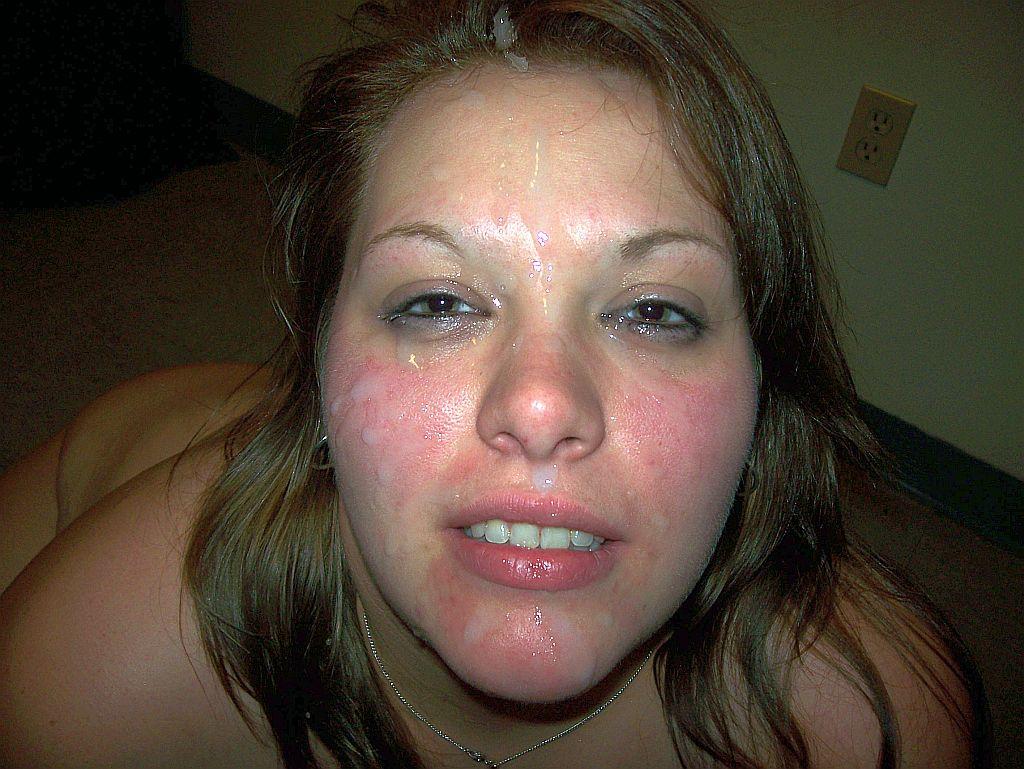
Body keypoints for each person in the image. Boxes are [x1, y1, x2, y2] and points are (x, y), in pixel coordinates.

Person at [0, 2, 988, 768]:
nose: (542, 405)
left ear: (764, 393)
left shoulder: (873, 725)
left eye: (654, 311)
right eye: (436, 302)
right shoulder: (80, 680)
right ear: (317, 371)